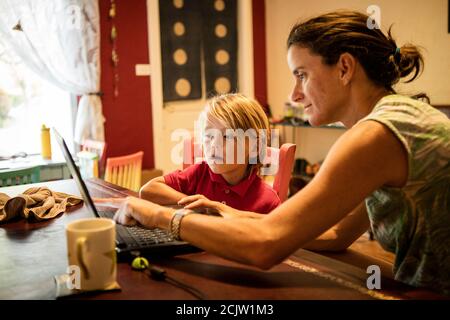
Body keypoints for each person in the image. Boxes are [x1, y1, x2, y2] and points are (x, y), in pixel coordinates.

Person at [97, 11, 450, 294]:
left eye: (301, 75)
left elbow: (266, 246)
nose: (295, 95)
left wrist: (160, 217)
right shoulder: (399, 119)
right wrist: (226, 212)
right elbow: (336, 234)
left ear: (344, 68)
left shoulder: (375, 136)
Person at [139, 93, 281, 214]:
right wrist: (197, 205)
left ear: (255, 146)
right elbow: (147, 190)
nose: (214, 145)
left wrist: (216, 208)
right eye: (209, 135)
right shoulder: (200, 173)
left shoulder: (267, 201)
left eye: (227, 136)